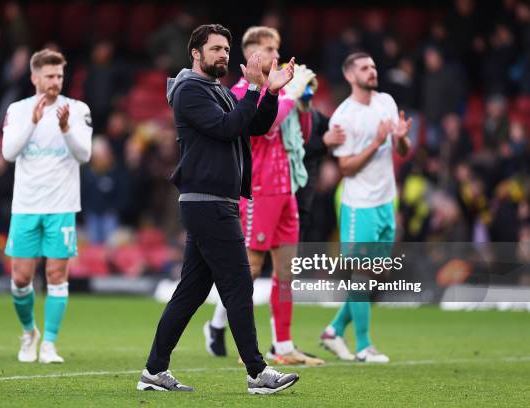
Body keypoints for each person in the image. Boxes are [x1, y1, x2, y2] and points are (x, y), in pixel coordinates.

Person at [137, 24, 299, 394]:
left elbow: (252, 126)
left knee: (191, 292)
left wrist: (270, 91)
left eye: (226, 49)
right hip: (208, 203)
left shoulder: (216, 90)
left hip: (214, 202)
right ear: (195, 53)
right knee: (239, 285)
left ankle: (154, 371)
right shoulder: (190, 90)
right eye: (216, 49)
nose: (224, 55)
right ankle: (257, 373)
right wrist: (255, 87)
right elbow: (227, 128)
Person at [203, 26, 324, 366]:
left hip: (285, 188)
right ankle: (242, 343)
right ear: (251, 53)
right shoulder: (243, 90)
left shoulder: (281, 90)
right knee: (250, 268)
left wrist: (303, 104)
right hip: (258, 190)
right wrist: (288, 95)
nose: (277, 54)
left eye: (278, 47)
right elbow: (265, 126)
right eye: (269, 48)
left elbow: (302, 135)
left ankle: (283, 346)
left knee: (286, 271)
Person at [318, 52, 411, 363]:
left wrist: (399, 139)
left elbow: (401, 149)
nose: (372, 71)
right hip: (360, 204)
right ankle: (364, 347)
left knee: (375, 273)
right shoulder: (344, 116)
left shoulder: (386, 101)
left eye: (372, 66)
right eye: (364, 68)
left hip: (387, 199)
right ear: (349, 76)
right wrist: (376, 142)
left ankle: (333, 330)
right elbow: (345, 167)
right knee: (362, 271)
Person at [1, 49, 92, 364]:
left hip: (61, 205)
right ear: (34, 78)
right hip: (26, 205)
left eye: (59, 76)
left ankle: (50, 344)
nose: (55, 82)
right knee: (21, 279)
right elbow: (9, 153)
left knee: (56, 274)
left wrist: (66, 129)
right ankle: (29, 333)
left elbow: (84, 155)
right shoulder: (18, 110)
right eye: (49, 76)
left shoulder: (77, 110)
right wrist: (33, 122)